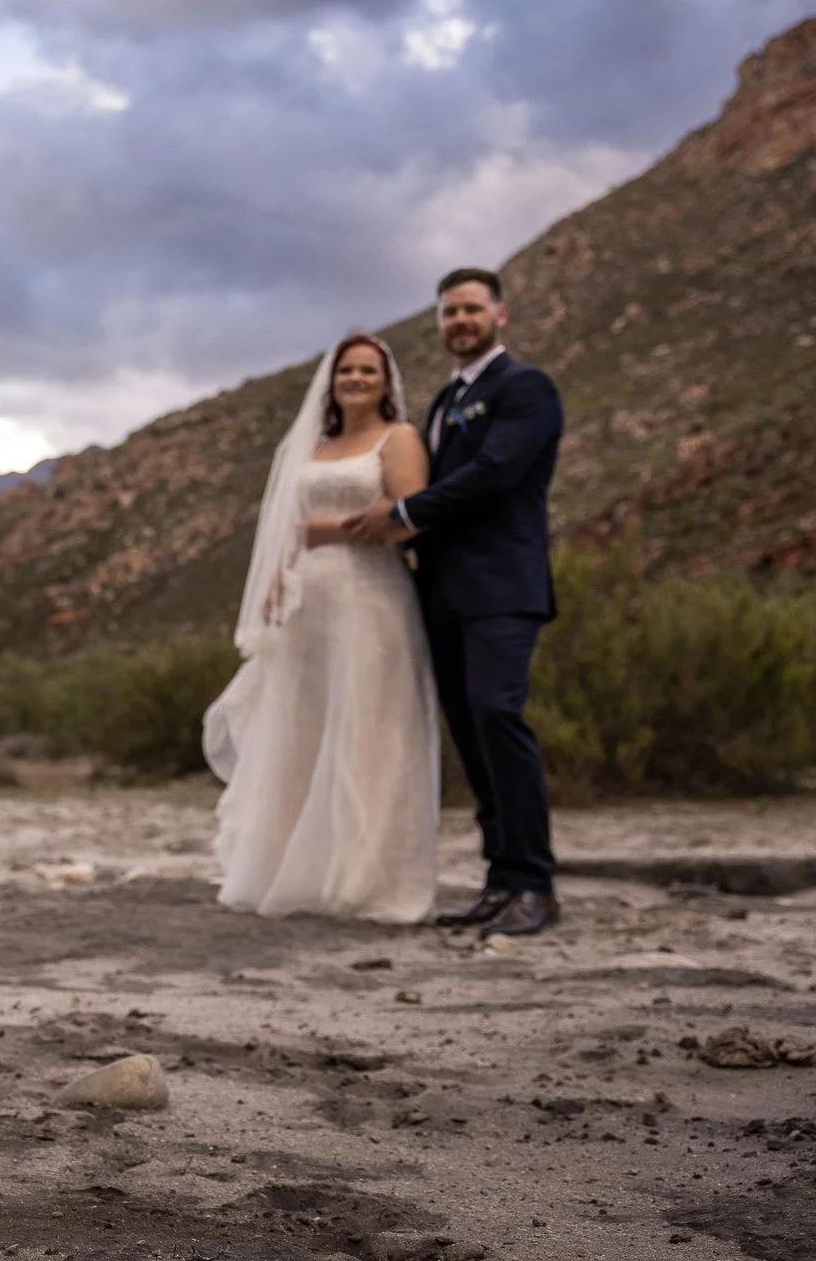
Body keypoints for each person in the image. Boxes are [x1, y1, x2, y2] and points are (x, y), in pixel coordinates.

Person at [345, 267, 564, 938]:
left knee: (500, 716)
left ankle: (535, 882)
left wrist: (404, 510)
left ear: (500, 314)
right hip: (440, 590)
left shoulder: (526, 388)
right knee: (470, 734)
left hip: (502, 587)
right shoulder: (442, 401)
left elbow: (495, 474)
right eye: (448, 312)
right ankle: (499, 880)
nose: (460, 321)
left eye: (471, 309)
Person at [204, 331, 441, 924]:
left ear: (387, 381)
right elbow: (288, 529)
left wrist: (329, 531)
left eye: (367, 371)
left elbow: (411, 518)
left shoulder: (399, 438)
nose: (356, 380)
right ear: (331, 383)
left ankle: (364, 879)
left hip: (371, 598)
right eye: (346, 372)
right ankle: (298, 869)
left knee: (368, 729)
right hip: (309, 602)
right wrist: (280, 579)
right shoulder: (318, 445)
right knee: (306, 729)